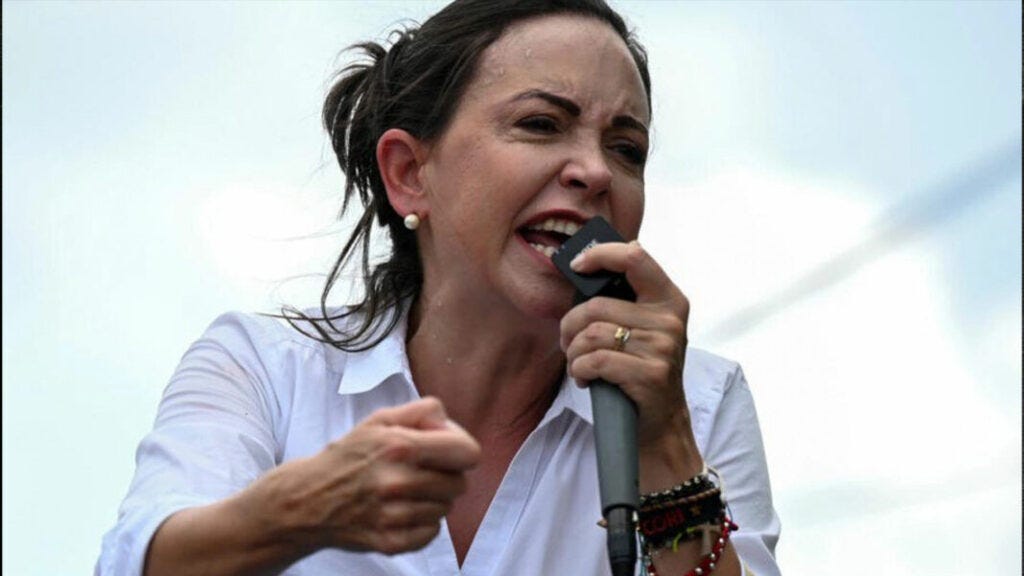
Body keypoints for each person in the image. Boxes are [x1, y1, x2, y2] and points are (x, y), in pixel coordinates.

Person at [95, 1, 781, 575]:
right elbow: (137, 559)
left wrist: (663, 441)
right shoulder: (265, 368)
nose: (594, 171)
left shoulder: (700, 402)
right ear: (409, 173)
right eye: (541, 124)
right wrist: (298, 511)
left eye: (627, 148)